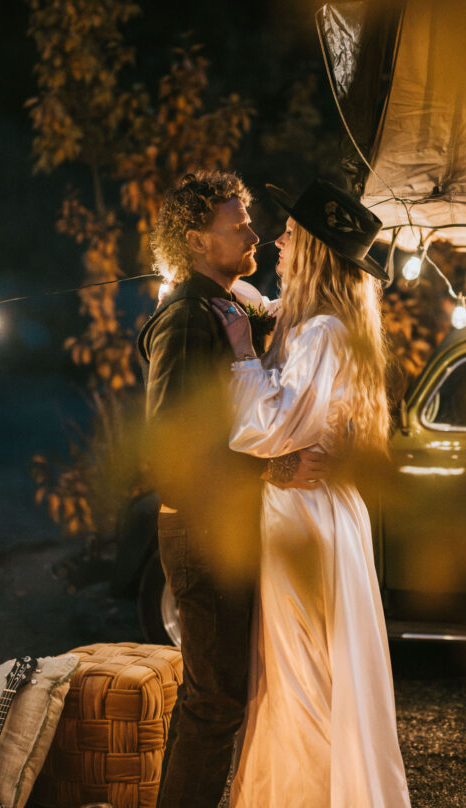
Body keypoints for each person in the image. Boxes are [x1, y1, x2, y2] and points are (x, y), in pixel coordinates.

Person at [212, 177, 411, 808]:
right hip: (316, 510)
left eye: (293, 235)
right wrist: (226, 287)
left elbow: (265, 429)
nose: (278, 241)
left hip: (305, 515)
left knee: (303, 673)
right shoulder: (327, 324)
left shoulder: (322, 331)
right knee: (308, 665)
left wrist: (244, 355)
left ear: (317, 252)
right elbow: (267, 306)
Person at [138, 170, 327, 808]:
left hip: (228, 527)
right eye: (238, 225)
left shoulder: (230, 301)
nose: (254, 234)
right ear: (195, 241)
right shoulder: (186, 317)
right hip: (198, 530)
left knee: (226, 695)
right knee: (213, 701)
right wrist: (268, 468)